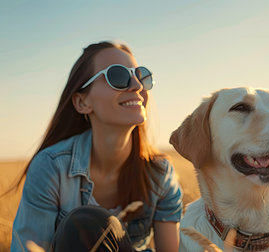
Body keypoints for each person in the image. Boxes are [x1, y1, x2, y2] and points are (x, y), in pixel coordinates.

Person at [10, 41, 182, 251]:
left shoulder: (160, 173)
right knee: (87, 224)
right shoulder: (51, 168)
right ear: (82, 102)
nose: (136, 85)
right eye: (118, 76)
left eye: (141, 75)